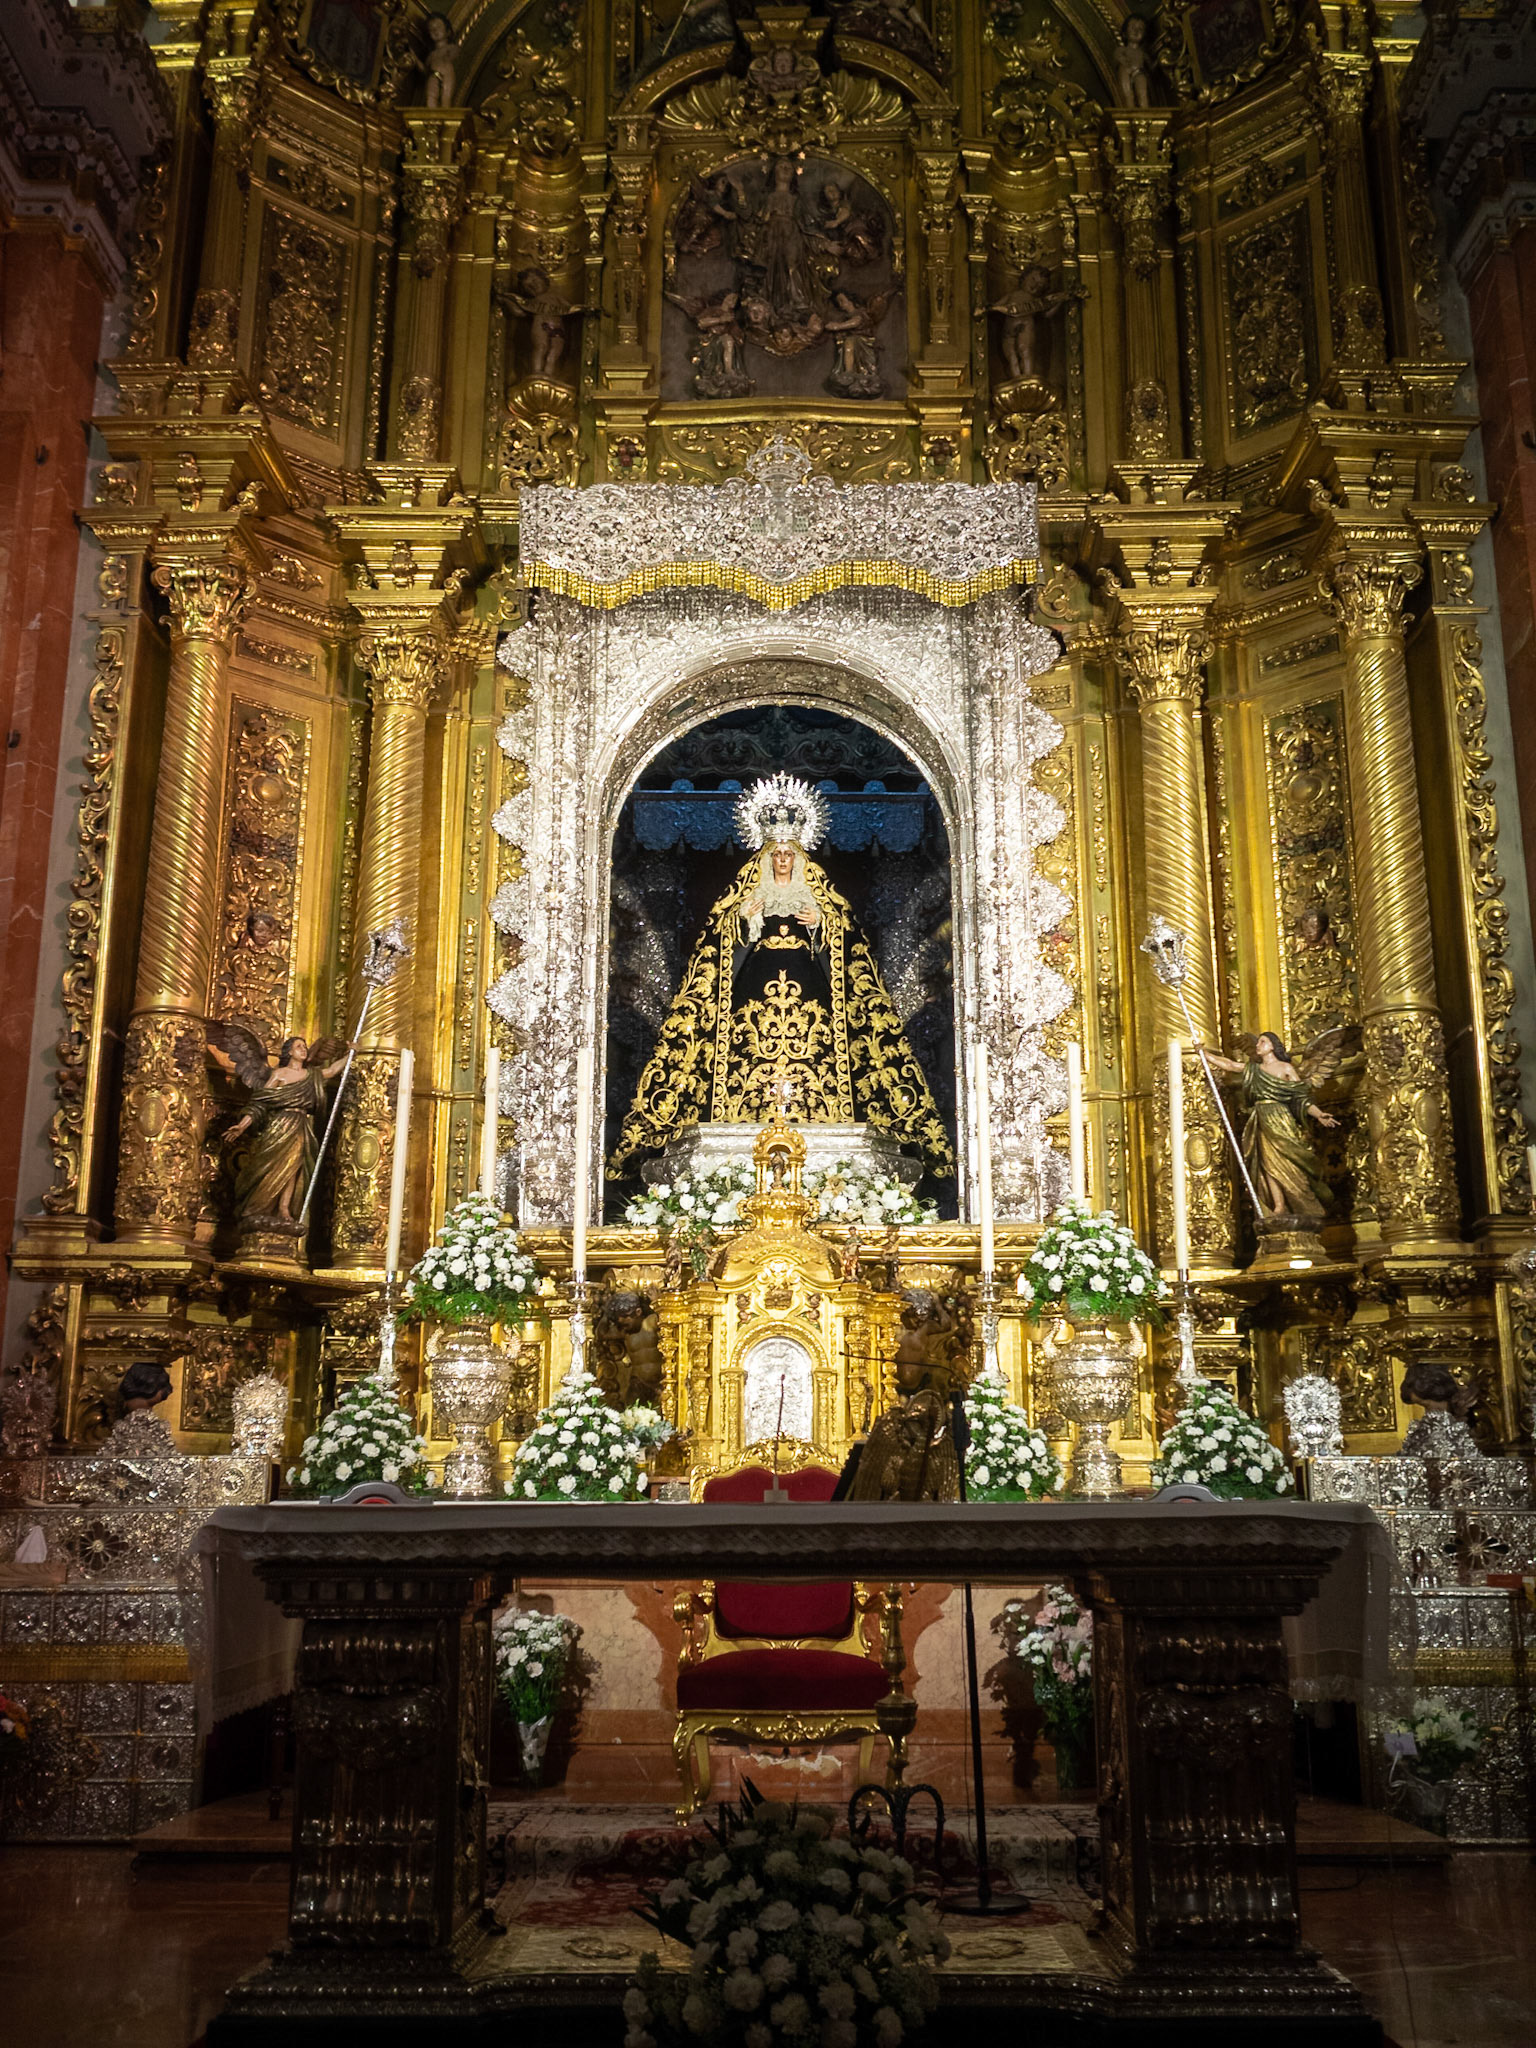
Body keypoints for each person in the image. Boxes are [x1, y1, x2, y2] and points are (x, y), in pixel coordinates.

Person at [608, 775, 953, 1180]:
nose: (784, 860)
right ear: (767, 856)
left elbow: (851, 956)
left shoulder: (823, 900)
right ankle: (742, 1113)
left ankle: (823, 1114)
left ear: (800, 856)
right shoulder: (744, 899)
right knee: (745, 1047)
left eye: (790, 853)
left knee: (823, 1048)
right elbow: (714, 956)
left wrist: (823, 925)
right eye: (777, 853)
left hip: (812, 996)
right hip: (754, 993)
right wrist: (745, 922)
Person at [208, 1031, 349, 1226]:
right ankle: (257, 1207)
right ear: (289, 1052)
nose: (304, 1049)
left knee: (292, 1168)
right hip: (278, 1125)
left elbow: (332, 1071)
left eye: (305, 1046)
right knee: (268, 1167)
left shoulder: (311, 1075)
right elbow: (260, 1103)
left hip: (300, 1125)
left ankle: (284, 1208)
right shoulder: (278, 1074)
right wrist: (242, 1126)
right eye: (299, 1046)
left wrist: (350, 1055)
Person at [1203, 1031, 1340, 1222]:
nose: (1258, 1045)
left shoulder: (1286, 1068)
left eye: (1262, 1042)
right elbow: (1231, 1065)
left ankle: (1304, 1202)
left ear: (1273, 1046)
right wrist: (1205, 1054)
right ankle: (1279, 1205)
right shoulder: (1253, 1068)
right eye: (1258, 1042)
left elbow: (1301, 1097)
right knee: (1267, 1164)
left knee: (1290, 1160)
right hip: (1261, 1119)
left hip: (1281, 1119)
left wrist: (1319, 1114)